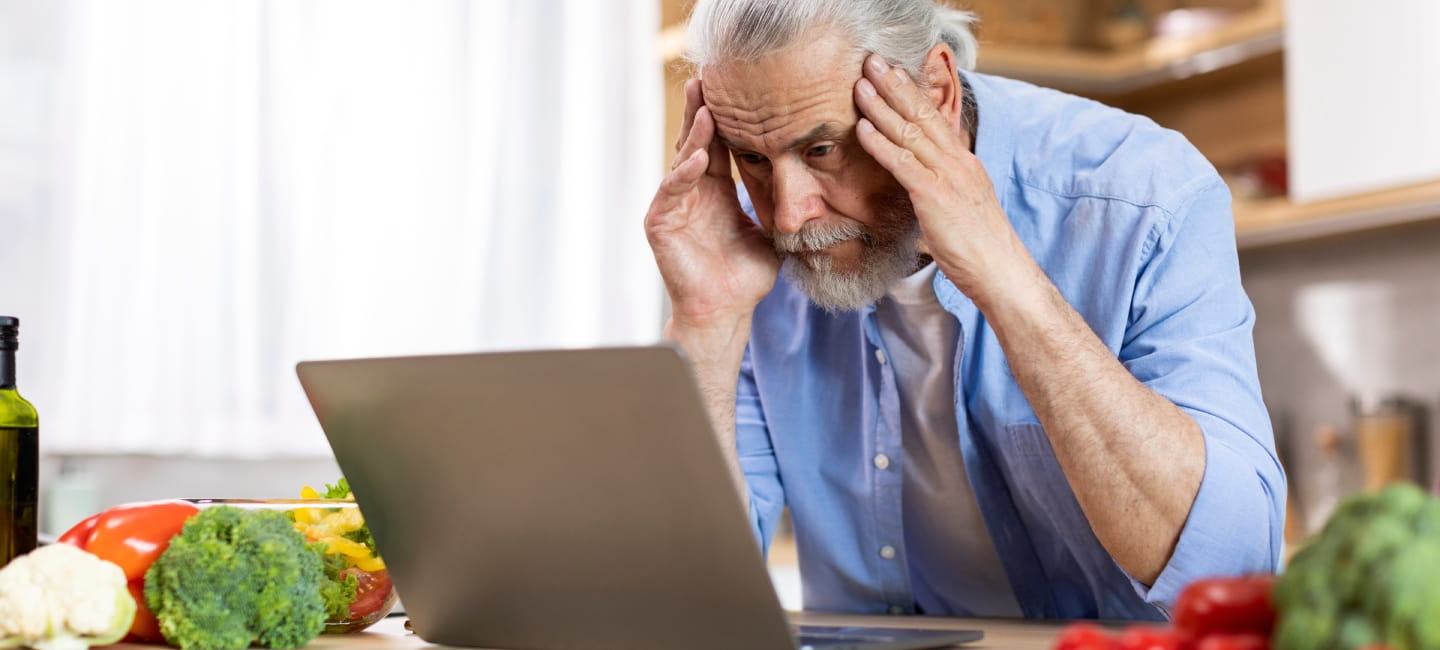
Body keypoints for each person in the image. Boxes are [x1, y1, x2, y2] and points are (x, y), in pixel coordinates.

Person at [643, 0, 1284, 620]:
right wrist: (706, 326)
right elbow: (685, 604)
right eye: (753, 158)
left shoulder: (1144, 196)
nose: (788, 215)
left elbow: (1230, 571)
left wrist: (1002, 274)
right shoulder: (747, 244)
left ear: (937, 95)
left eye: (822, 151)